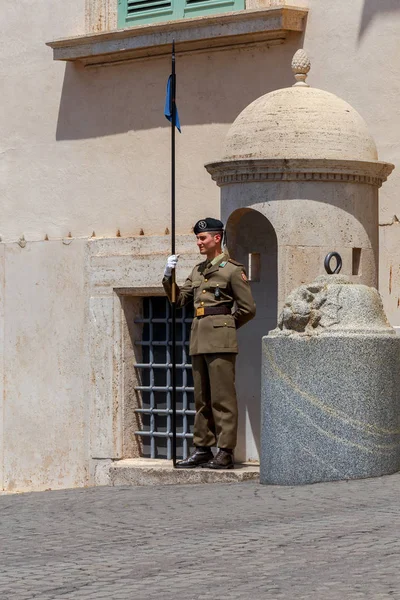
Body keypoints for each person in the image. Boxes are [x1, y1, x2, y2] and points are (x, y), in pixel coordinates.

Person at [163, 217, 256, 469]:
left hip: (220, 339)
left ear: (217, 238)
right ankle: (202, 447)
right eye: (197, 238)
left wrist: (225, 327)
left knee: (222, 398)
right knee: (202, 398)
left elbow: (248, 308)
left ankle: (224, 451)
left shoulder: (232, 269)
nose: (198, 243)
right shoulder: (197, 270)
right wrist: (168, 276)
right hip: (198, 338)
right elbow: (178, 300)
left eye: (202, 238)